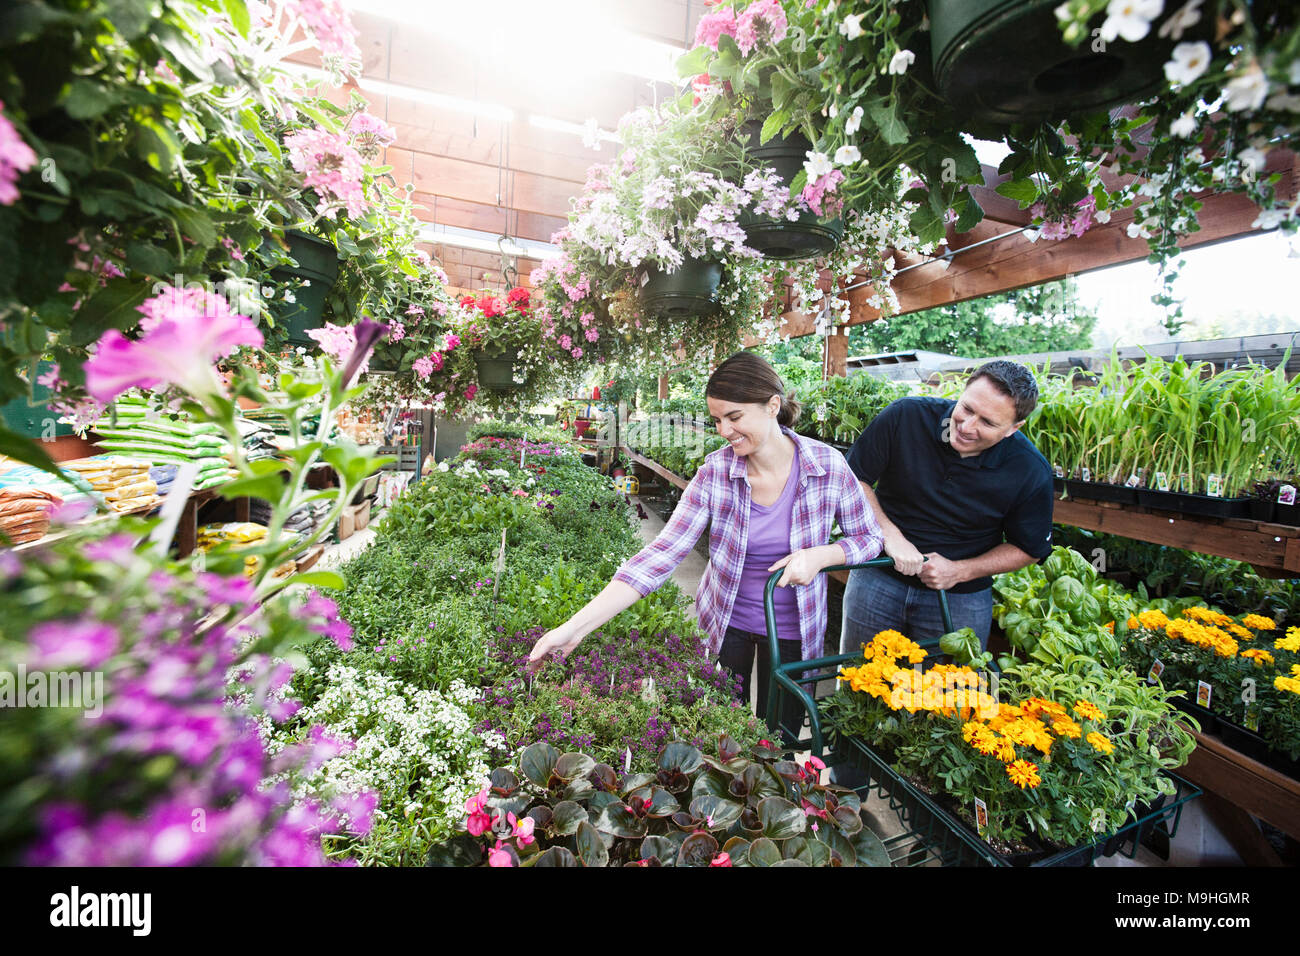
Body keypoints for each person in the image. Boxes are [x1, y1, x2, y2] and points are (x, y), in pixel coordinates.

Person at [527, 351, 884, 727]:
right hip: (727, 621)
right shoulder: (717, 471)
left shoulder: (827, 465)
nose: (724, 431)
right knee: (723, 734)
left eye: (734, 417)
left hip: (796, 628)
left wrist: (821, 556)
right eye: (716, 420)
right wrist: (573, 629)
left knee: (781, 737)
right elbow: (659, 556)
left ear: (772, 406)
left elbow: (868, 538)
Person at [840, 360, 1053, 654]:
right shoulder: (906, 417)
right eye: (966, 408)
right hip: (878, 576)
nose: (967, 427)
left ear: (1014, 428)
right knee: (859, 683)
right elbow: (854, 479)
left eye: (988, 423)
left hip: (959, 598)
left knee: (942, 693)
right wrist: (890, 536)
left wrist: (959, 571)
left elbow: (1029, 548)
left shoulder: (1029, 470)